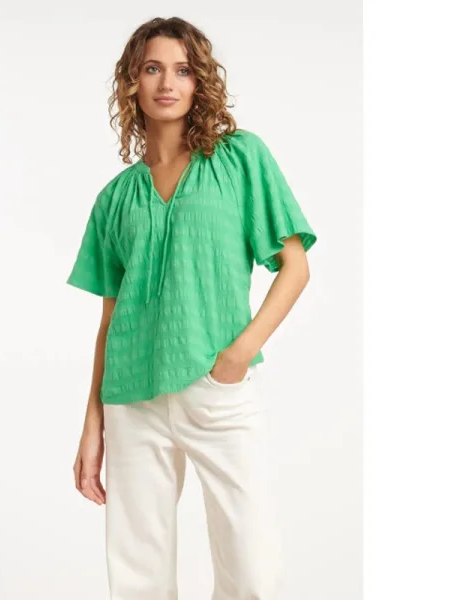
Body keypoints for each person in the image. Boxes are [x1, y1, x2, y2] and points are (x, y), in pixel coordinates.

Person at [66, 17, 317, 600]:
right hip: (132, 398)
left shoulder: (238, 159)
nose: (167, 83)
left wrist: (238, 354)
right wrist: (92, 424)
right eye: (153, 68)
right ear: (132, 82)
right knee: (139, 575)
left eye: (182, 70)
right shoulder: (116, 198)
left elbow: (295, 266)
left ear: (199, 81)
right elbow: (109, 321)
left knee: (252, 568)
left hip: (216, 386)